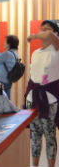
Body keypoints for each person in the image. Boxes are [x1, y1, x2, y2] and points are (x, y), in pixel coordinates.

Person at [25, 20, 59, 167]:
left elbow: (50, 36)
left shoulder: (57, 50)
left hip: (50, 100)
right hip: (33, 98)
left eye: (48, 29)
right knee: (35, 135)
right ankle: (35, 165)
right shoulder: (35, 53)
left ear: (55, 33)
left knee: (50, 135)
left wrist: (34, 35)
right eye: (42, 28)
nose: (43, 31)